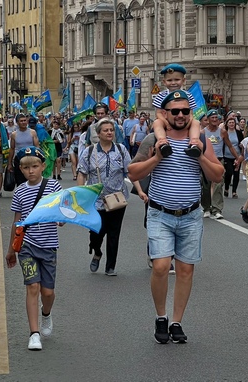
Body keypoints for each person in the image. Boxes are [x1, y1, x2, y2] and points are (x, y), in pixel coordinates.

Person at [127, 90, 224, 344]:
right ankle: (161, 316)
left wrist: (200, 154)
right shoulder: (153, 139)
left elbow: (217, 174)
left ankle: (177, 321)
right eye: (175, 111)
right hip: (160, 214)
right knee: (160, 267)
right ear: (165, 114)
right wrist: (157, 158)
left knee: (185, 271)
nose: (180, 115)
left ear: (190, 114)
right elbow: (133, 172)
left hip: (191, 215)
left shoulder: (200, 137)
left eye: (184, 111)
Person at [5, 146, 63, 351]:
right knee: (33, 287)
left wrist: (61, 218)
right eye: (27, 167)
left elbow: (61, 213)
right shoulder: (20, 191)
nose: (31, 171)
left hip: (48, 246)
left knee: (48, 292)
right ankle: (34, 333)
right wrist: (12, 249)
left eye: (35, 166)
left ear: (43, 167)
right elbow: (17, 221)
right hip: (27, 246)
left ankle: (46, 313)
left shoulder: (53, 187)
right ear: (21, 169)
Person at [77, 118, 132, 276]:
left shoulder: (121, 150)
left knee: (114, 233)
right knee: (97, 232)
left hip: (117, 199)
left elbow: (130, 171)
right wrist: (81, 195)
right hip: (97, 200)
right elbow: (82, 173)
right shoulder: (89, 152)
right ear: (98, 134)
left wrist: (140, 190)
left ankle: (110, 266)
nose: (109, 132)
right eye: (106, 130)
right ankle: (97, 252)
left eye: (111, 130)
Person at [151, 64, 201, 158]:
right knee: (157, 122)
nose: (173, 83)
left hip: (184, 121)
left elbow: (190, 113)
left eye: (177, 80)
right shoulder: (161, 95)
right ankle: (163, 143)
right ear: (164, 82)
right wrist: (166, 123)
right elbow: (158, 113)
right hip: (165, 121)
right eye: (170, 80)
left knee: (196, 122)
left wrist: (187, 124)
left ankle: (194, 144)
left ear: (183, 81)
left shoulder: (188, 95)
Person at [201, 109, 243, 219]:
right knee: (206, 185)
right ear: (208, 119)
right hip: (206, 161)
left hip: (218, 160)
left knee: (219, 184)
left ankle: (217, 209)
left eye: (216, 118)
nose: (215, 120)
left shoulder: (222, 132)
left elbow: (229, 146)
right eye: (212, 118)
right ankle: (206, 208)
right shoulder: (203, 132)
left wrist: (237, 158)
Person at [7, 114, 40, 186]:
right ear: (17, 123)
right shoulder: (14, 134)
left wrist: (40, 160)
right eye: (21, 121)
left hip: (31, 159)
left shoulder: (32, 132)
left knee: (32, 179)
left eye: (25, 120)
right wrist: (9, 163)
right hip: (19, 160)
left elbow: (37, 147)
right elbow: (12, 149)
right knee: (20, 181)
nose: (23, 122)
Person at [222, 117, 243, 199]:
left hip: (237, 156)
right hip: (227, 156)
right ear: (227, 124)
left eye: (233, 123)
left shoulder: (238, 133)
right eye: (230, 122)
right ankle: (226, 188)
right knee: (229, 172)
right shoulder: (224, 133)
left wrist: (241, 155)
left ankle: (234, 191)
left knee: (236, 174)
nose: (231, 124)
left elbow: (242, 143)